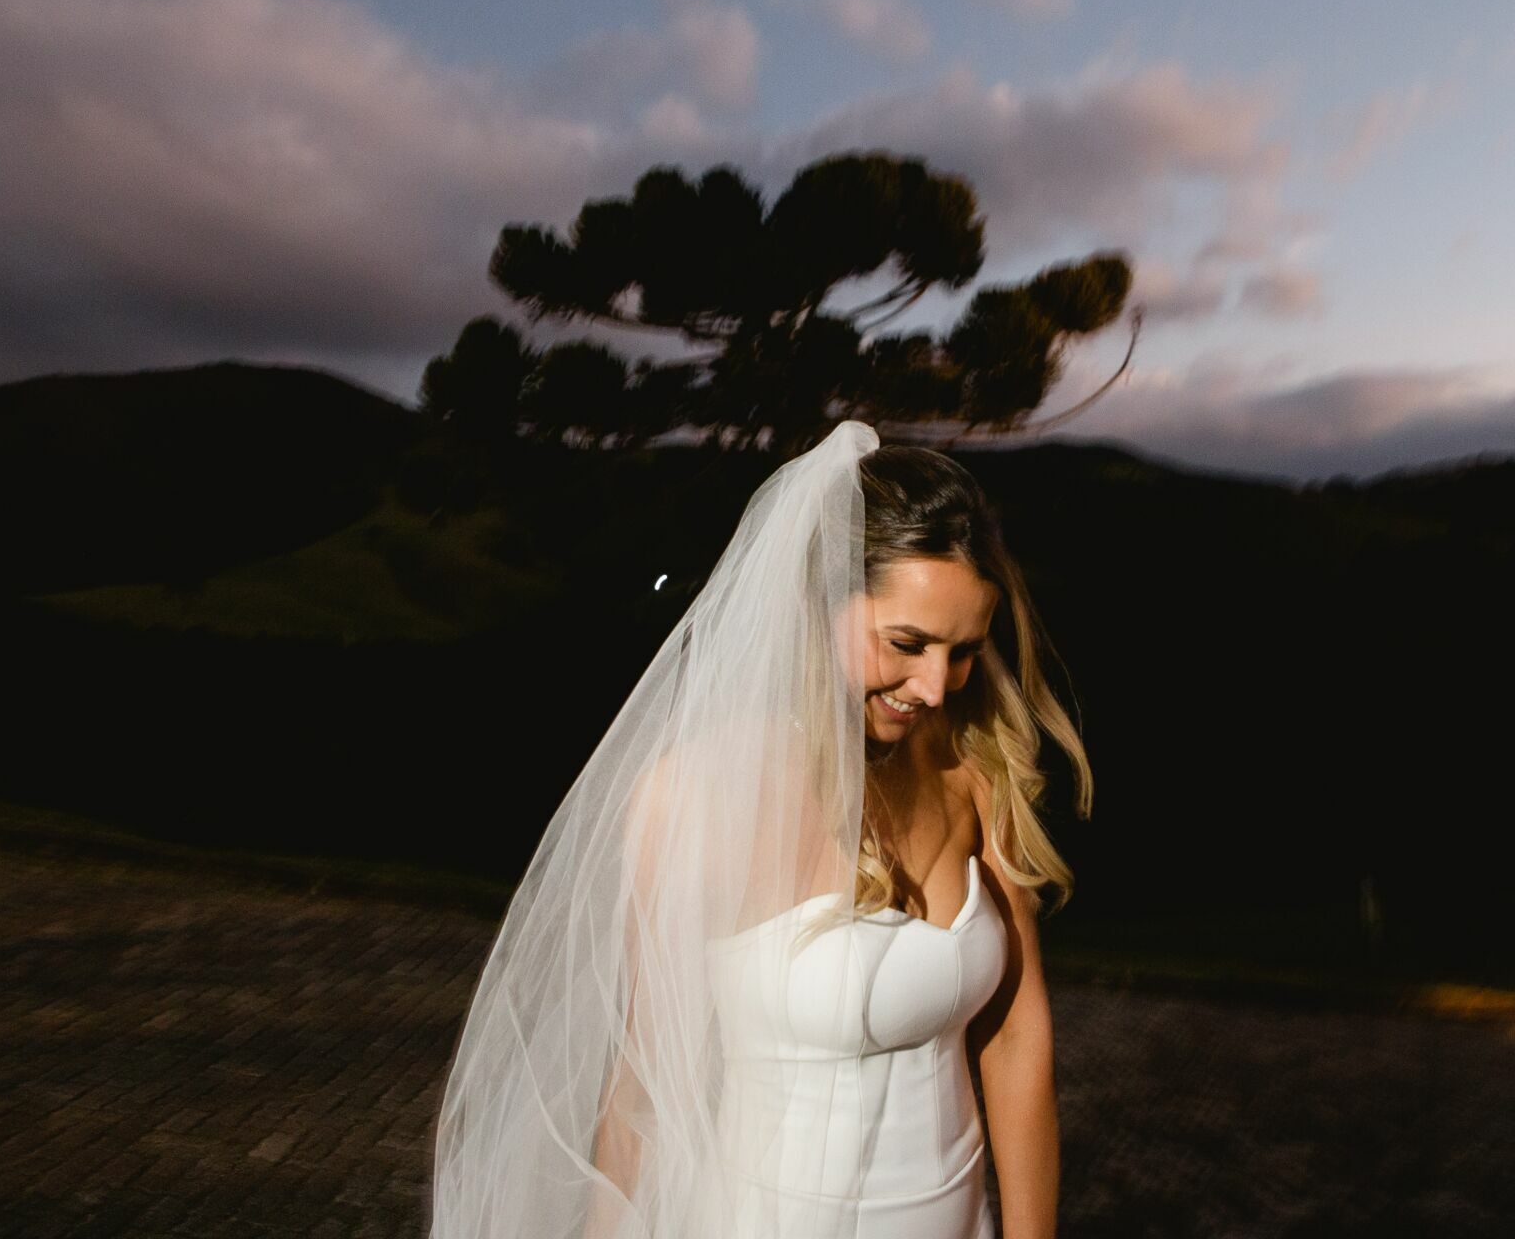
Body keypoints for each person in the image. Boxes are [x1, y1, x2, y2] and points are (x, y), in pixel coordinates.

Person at [429, 420, 1091, 1239]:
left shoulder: (971, 772)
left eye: (962, 651)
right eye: (907, 644)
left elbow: (1018, 1034)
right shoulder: (695, 799)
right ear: (818, 603)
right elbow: (642, 1086)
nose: (934, 687)